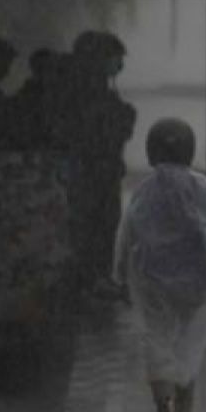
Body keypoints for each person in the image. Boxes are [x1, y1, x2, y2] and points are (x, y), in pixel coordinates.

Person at [111, 118, 206, 412]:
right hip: (199, 281)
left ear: (152, 152)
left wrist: (120, 275)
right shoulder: (202, 186)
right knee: (189, 348)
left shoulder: (145, 189)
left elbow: (127, 234)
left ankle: (161, 410)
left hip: (152, 280)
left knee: (157, 341)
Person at [68, 31, 137, 291]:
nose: (119, 64)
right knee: (94, 224)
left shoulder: (98, 90)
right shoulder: (86, 91)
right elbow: (95, 130)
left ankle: (96, 276)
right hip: (91, 172)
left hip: (102, 171)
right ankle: (92, 277)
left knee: (103, 223)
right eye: (115, 58)